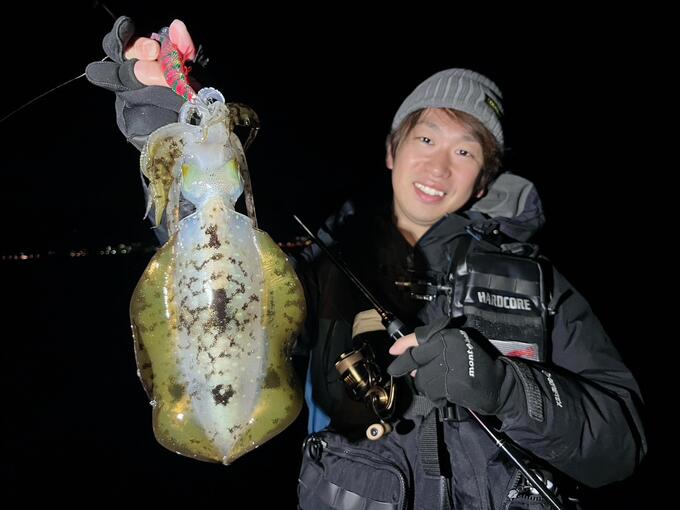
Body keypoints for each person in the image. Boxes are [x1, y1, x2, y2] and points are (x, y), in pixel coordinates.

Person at [86, 16, 647, 509]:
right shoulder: (324, 268)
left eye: (465, 151)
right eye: (425, 139)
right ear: (391, 151)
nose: (439, 167)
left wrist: (506, 388)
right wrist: (172, 129)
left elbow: (621, 444)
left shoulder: (541, 287)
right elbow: (218, 282)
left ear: (483, 181)